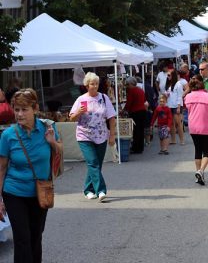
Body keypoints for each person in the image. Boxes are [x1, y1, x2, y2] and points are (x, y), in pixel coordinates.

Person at [0, 89, 62, 263]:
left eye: (24, 109)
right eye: (16, 109)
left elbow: (59, 152)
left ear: (35, 108)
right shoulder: (8, 135)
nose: (19, 114)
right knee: (22, 239)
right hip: (14, 193)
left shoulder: (48, 128)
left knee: (36, 236)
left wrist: (52, 142)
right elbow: (1, 168)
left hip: (40, 192)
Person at [70, 72, 116, 201]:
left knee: (96, 164)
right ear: (86, 85)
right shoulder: (81, 99)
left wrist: (112, 135)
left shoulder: (104, 98)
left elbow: (111, 117)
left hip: (101, 135)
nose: (95, 86)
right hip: (84, 135)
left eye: (96, 84)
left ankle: (88, 190)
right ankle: (101, 190)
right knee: (93, 162)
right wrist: (78, 112)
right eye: (92, 84)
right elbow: (72, 118)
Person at [185, 75, 208, 185]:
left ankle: (198, 174)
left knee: (197, 150)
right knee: (206, 151)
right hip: (206, 127)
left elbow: (187, 108)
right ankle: (201, 171)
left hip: (194, 127)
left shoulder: (188, 97)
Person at [124, 76, 147, 154]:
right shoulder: (141, 90)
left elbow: (129, 102)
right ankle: (140, 147)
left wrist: (125, 110)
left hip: (135, 112)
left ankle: (136, 148)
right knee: (141, 130)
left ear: (131, 84)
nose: (127, 86)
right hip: (142, 111)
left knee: (136, 131)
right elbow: (144, 100)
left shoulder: (132, 91)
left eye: (127, 84)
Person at [165, 70, 185, 145]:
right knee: (171, 124)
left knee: (178, 123)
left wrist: (179, 107)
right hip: (169, 105)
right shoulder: (169, 84)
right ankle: (173, 140)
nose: (168, 77)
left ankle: (182, 140)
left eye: (169, 75)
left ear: (173, 76)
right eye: (167, 75)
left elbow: (180, 96)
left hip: (176, 106)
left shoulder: (178, 84)